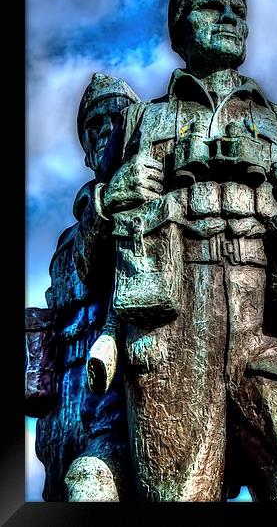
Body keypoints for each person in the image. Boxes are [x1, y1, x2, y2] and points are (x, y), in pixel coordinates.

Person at [88, 0, 277, 502]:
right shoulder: (138, 124)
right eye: (212, 7)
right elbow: (89, 269)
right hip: (170, 344)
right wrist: (110, 199)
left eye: (239, 10)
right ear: (178, 28)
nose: (230, 18)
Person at [26, 73, 140, 501]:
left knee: (92, 485)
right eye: (94, 125)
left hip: (114, 387)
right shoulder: (66, 241)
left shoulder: (148, 213)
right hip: (62, 400)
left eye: (116, 119)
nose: (106, 131)